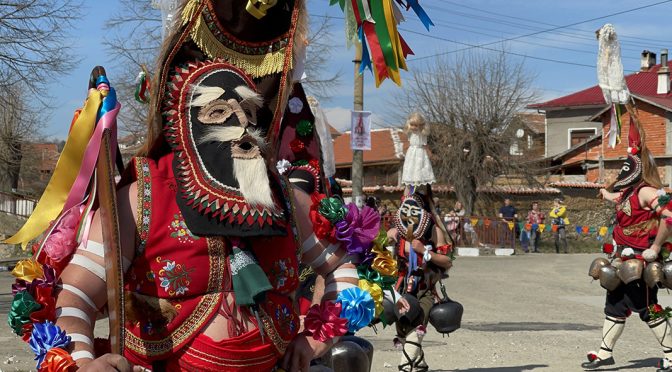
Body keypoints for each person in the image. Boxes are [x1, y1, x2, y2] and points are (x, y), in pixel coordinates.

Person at [4, 2, 409, 371]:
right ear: (185, 124)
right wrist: (84, 360)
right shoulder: (142, 197)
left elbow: (343, 269)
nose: (241, 128)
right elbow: (77, 295)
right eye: (220, 112)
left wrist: (318, 337)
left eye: (249, 113)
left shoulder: (285, 197)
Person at [581, 116, 672, 371]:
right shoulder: (628, 192)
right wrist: (604, 194)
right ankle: (604, 353)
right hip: (621, 259)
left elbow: (669, 216)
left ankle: (671, 353)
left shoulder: (646, 192)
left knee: (646, 307)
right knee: (615, 305)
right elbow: (618, 200)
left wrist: (655, 248)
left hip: (640, 262)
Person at [387, 190, 453, 372]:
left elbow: (447, 262)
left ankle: (405, 367)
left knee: (417, 326)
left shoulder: (434, 230)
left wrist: (425, 251)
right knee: (403, 328)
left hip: (425, 286)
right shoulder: (398, 231)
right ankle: (420, 365)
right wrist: (386, 238)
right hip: (401, 287)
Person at [401, 113, 435, 186]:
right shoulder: (410, 134)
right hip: (411, 153)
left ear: (420, 125)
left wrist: (430, 153)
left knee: (420, 168)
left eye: (415, 125)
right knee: (410, 167)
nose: (413, 127)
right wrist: (404, 151)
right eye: (412, 125)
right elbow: (407, 143)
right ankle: (407, 194)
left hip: (420, 153)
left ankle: (419, 185)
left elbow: (425, 145)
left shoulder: (422, 134)